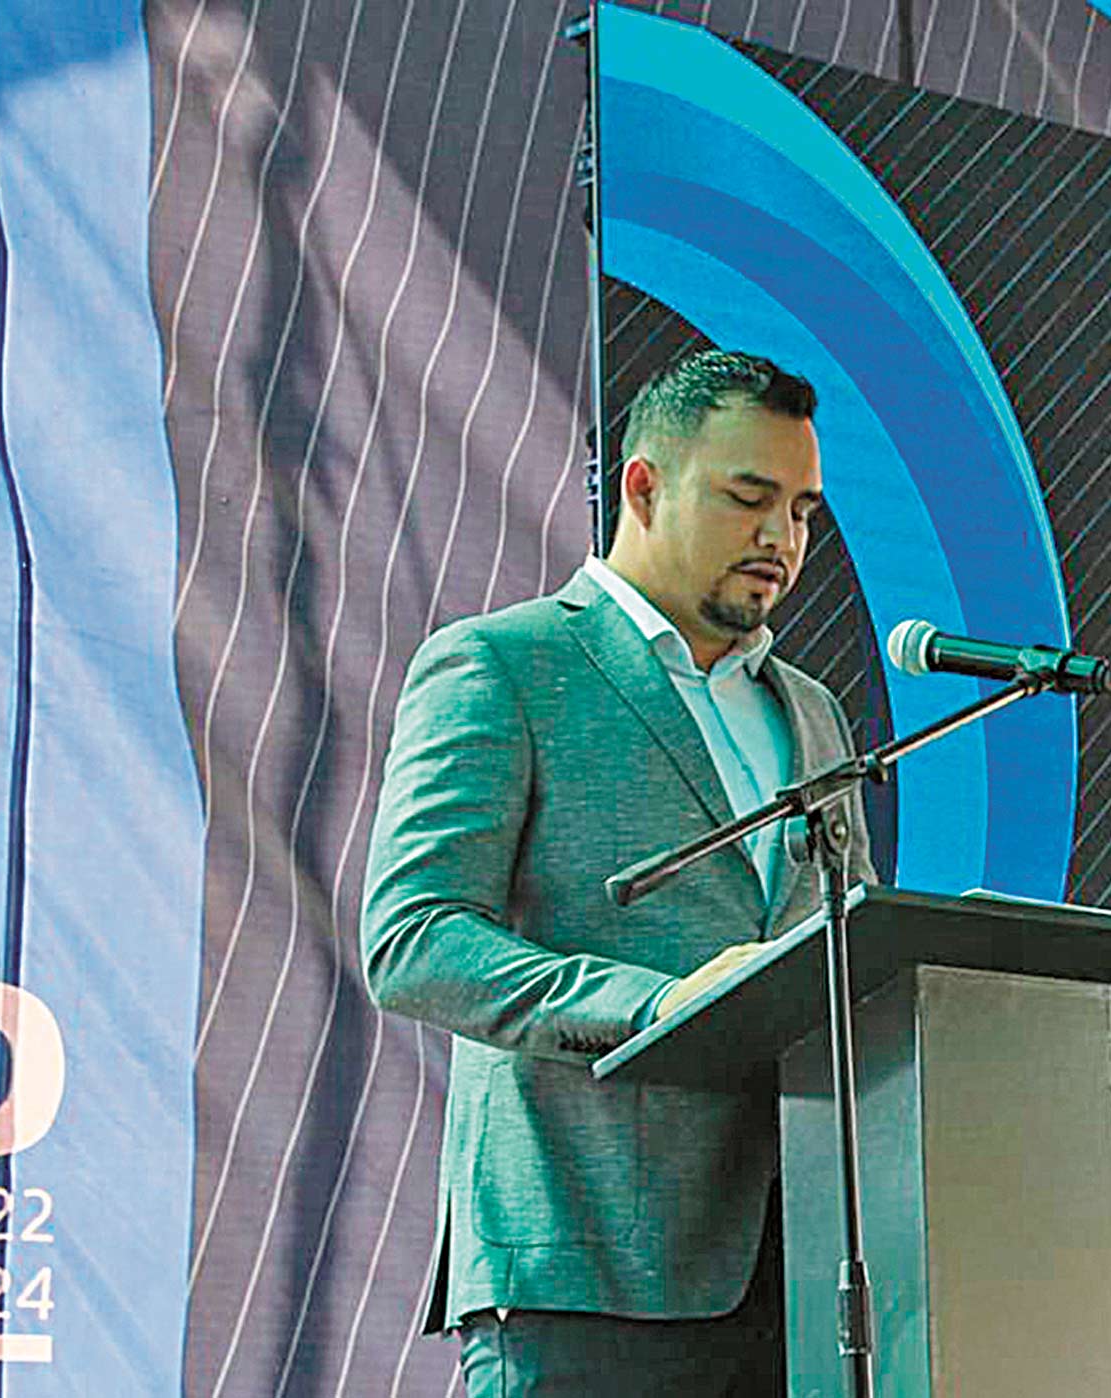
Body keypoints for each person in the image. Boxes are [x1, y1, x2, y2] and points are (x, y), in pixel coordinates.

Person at [361, 348, 873, 1396]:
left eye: (802, 513)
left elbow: (846, 951)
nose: (781, 540)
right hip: (583, 1262)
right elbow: (412, 938)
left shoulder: (813, 712)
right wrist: (656, 1006)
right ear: (643, 486)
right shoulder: (502, 665)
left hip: (807, 1274)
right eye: (748, 499)